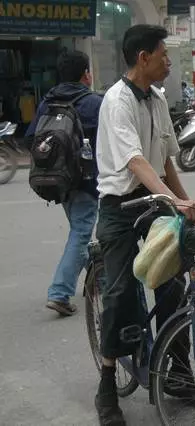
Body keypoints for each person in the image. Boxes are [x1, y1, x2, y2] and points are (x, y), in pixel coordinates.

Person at [94, 25, 195, 426]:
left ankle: (177, 373)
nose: (168, 62)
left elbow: (165, 159)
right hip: (120, 206)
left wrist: (184, 204)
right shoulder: (116, 101)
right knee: (121, 292)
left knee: (172, 284)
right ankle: (107, 385)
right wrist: (172, 200)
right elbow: (137, 162)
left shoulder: (157, 99)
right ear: (143, 58)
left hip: (155, 198)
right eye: (163, 55)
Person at [25, 51, 103, 316]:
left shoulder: (47, 101)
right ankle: (59, 292)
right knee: (81, 233)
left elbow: (31, 138)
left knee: (79, 232)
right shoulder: (94, 102)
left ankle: (99, 280)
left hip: (59, 181)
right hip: (87, 180)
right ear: (85, 74)